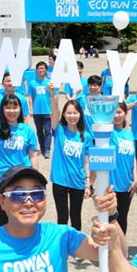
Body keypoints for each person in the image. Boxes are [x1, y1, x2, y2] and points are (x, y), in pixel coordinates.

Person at [0, 79, 39, 227]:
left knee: (22, 211)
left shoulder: (27, 130)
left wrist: (35, 178)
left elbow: (33, 155)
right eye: (8, 108)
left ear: (20, 109)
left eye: (15, 107)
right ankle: (5, 244)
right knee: (3, 212)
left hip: (21, 178)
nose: (11, 111)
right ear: (2, 110)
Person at [50, 89, 92, 231]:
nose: (72, 116)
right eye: (68, 113)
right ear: (64, 114)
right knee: (62, 217)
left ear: (80, 114)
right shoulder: (59, 130)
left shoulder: (85, 136)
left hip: (78, 181)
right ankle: (62, 247)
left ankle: (76, 246)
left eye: (75, 113)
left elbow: (86, 160)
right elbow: (54, 113)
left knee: (76, 216)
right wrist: (52, 95)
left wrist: (87, 183)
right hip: (60, 180)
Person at [110, 102, 137, 234]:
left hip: (127, 184)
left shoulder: (129, 134)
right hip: (111, 185)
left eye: (119, 112)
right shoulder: (107, 132)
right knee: (110, 218)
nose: (116, 115)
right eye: (113, 112)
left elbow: (133, 158)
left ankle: (120, 250)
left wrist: (136, 179)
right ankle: (108, 251)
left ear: (126, 114)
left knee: (123, 217)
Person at [27, 61, 53, 159]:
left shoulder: (49, 82)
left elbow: (53, 96)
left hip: (47, 111)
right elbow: (30, 97)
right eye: (39, 68)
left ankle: (47, 149)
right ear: (36, 70)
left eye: (43, 68)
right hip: (36, 111)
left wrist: (53, 109)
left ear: (46, 70)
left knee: (48, 130)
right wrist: (31, 110)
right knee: (39, 131)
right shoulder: (32, 83)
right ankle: (42, 148)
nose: (41, 70)